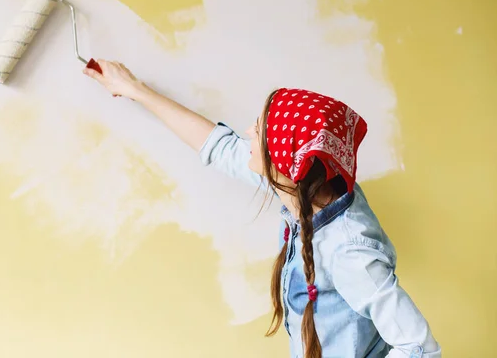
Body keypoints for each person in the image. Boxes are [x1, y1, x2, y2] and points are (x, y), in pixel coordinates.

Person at [82, 60, 442, 358]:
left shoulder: (348, 249)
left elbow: (420, 347)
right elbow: (218, 147)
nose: (248, 133)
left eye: (260, 131)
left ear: (284, 164)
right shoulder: (307, 187)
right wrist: (133, 89)